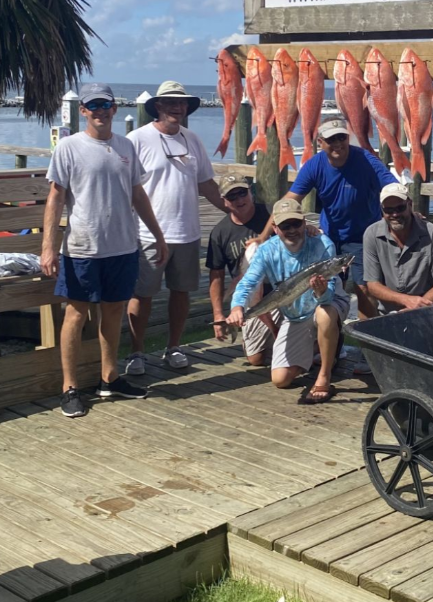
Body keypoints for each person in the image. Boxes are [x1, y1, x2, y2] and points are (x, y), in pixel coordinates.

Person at [41, 82, 168, 418]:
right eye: (92, 105)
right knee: (76, 315)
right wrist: (49, 247)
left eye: (105, 105)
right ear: (83, 110)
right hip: (82, 248)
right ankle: (69, 387)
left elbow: (138, 194)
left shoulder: (126, 146)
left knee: (113, 312)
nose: (99, 110)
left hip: (123, 247)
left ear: (114, 109)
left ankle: (109, 378)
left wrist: (158, 234)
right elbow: (55, 197)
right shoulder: (69, 147)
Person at [251, 118, 397, 374]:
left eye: (341, 138)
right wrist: (263, 237)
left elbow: (393, 187)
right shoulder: (315, 165)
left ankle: (368, 355)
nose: (338, 144)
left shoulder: (366, 160)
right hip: (330, 238)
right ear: (321, 143)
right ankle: (330, 348)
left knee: (365, 291)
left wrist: (407, 213)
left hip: (363, 237)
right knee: (324, 291)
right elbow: (290, 199)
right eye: (331, 140)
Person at [125, 81, 228, 375]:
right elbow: (126, 186)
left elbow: (206, 183)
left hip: (188, 232)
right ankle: (136, 352)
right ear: (157, 106)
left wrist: (232, 210)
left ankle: (174, 346)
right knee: (141, 295)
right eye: (169, 102)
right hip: (146, 234)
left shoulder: (192, 139)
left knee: (180, 292)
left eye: (181, 103)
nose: (176, 107)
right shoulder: (137, 139)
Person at [227, 199, 350, 403]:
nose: (292, 230)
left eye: (296, 224)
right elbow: (247, 282)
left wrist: (320, 292)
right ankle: (323, 345)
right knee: (280, 379)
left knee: (324, 312)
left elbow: (328, 294)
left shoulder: (323, 244)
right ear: (275, 228)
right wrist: (237, 307)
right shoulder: (267, 250)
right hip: (295, 314)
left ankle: (324, 376)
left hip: (328, 304)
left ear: (304, 222)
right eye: (285, 226)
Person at [206, 175, 277, 366]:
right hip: (251, 298)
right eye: (232, 197)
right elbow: (216, 275)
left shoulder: (271, 214)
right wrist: (218, 313)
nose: (239, 200)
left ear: (251, 192)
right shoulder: (220, 233)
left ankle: (298, 342)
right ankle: (276, 339)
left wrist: (310, 229)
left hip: (281, 290)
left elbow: (297, 228)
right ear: (224, 201)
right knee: (256, 360)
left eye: (242, 193)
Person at [363, 183, 433, 313]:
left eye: (400, 208)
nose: (395, 214)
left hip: (430, 308)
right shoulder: (371, 234)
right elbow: (373, 285)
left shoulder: (431, 232)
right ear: (382, 210)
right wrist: (406, 300)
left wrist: (416, 307)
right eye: (388, 210)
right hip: (390, 313)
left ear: (410, 204)